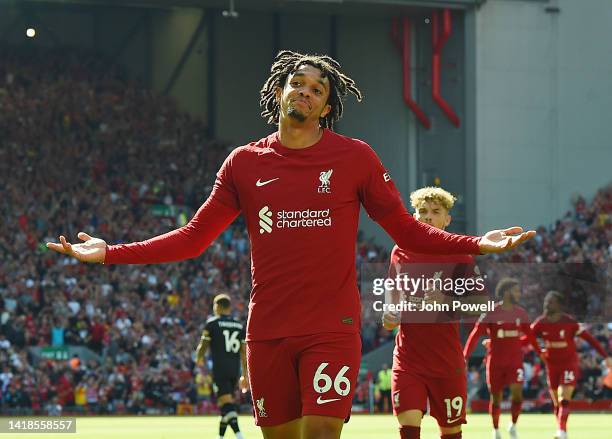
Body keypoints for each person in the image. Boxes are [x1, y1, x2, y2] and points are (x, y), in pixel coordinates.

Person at [47, 50, 535, 439]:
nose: (305, 91)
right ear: (280, 92)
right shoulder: (244, 163)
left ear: (327, 106)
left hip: (331, 326)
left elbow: (407, 229)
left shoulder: (355, 158)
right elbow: (194, 239)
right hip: (269, 330)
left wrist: (477, 243)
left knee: (322, 432)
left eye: (317, 89)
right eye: (297, 83)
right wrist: (111, 252)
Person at [383, 187, 482, 439]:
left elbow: (479, 304)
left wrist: (446, 301)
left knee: (450, 432)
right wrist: (390, 312)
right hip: (408, 359)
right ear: (414, 216)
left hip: (446, 361)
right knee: (408, 424)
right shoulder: (400, 250)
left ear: (447, 219)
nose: (428, 217)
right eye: (422, 211)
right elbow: (392, 293)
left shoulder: (462, 255)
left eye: (435, 212)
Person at [463, 278, 541, 439]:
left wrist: (541, 353)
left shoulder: (521, 313)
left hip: (515, 361)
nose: (519, 294)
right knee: (496, 397)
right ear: (506, 293)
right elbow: (475, 334)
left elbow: (531, 337)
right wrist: (465, 356)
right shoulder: (491, 312)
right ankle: (496, 429)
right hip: (495, 361)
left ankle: (513, 425)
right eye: (516, 291)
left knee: (517, 395)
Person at [530, 290, 611, 439]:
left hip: (569, 363)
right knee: (556, 402)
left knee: (564, 398)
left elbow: (590, 339)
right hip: (551, 365)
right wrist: (498, 343)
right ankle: (562, 431)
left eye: (551, 301)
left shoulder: (569, 322)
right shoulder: (540, 323)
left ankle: (561, 431)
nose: (547, 304)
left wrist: (606, 356)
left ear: (559, 305)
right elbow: (526, 338)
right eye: (546, 301)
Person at [196, 293, 248, 439]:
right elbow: (244, 353)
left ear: (217, 307)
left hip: (220, 370)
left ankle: (240, 436)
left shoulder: (212, 323)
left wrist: (199, 359)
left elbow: (203, 346)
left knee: (227, 406)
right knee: (224, 406)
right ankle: (220, 437)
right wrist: (245, 374)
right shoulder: (239, 326)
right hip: (234, 370)